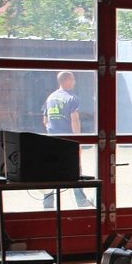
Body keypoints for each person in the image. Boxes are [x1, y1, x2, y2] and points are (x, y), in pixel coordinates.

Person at [41, 71, 92, 208]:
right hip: (68, 140)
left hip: (51, 139)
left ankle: (48, 202)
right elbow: (74, 120)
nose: (74, 82)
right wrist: (78, 141)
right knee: (75, 170)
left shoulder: (50, 98)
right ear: (67, 80)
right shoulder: (72, 98)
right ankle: (81, 201)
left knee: (51, 170)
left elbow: (45, 120)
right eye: (73, 79)